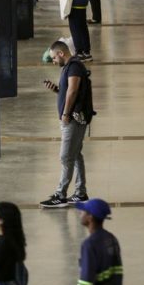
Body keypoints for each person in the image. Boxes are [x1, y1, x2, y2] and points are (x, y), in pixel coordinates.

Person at [40, 40, 90, 208]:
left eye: (54, 58)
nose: (53, 61)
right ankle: (80, 192)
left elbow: (73, 90)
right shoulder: (69, 67)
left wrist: (66, 113)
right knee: (75, 155)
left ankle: (60, 195)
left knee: (65, 156)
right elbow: (68, 90)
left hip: (73, 119)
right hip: (72, 118)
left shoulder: (74, 67)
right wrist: (56, 89)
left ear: (61, 53)